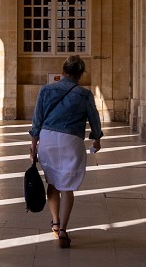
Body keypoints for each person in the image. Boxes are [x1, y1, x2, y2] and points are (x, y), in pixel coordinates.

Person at [29, 55, 103, 247]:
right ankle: (63, 230)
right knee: (67, 186)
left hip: (48, 139)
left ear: (63, 72)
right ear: (80, 74)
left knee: (52, 182)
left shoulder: (46, 90)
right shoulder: (84, 94)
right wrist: (96, 139)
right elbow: (94, 118)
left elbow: (37, 119)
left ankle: (55, 223)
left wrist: (33, 144)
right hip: (72, 140)